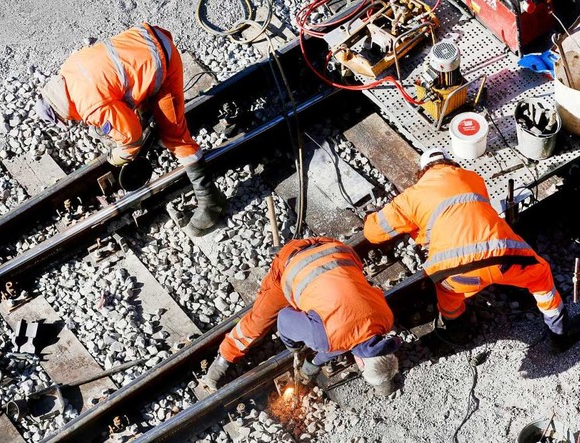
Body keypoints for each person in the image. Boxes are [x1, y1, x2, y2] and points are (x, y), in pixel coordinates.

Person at [363, 147, 580, 353]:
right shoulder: (473, 178)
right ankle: (560, 333)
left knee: (449, 294)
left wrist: (381, 217)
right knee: (541, 277)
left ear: (421, 173)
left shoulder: (411, 196)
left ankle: (458, 331)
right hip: (504, 257)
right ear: (452, 164)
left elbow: (373, 233)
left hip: (455, 271)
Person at [35, 23, 225, 236]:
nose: (71, 120)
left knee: (175, 138)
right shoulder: (69, 69)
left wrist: (118, 157)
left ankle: (210, 199)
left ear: (61, 111)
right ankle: (151, 112)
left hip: (164, 62)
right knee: (132, 102)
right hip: (147, 38)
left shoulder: (88, 106)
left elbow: (131, 138)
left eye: (66, 119)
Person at [202, 237, 402, 395]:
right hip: (291, 263)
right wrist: (294, 347)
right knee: (259, 319)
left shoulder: (386, 318)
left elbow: (344, 338)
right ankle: (225, 356)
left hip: (335, 249)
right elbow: (284, 319)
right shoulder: (325, 340)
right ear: (361, 363)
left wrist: (315, 363)